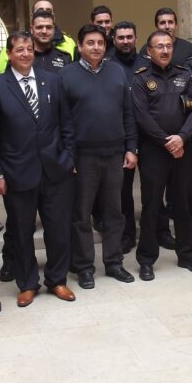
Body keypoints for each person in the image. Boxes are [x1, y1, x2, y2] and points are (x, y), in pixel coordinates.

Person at [0, 31, 78, 307]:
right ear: (9, 53)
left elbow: (66, 124)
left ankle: (57, 280)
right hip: (17, 172)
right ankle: (27, 283)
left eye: (29, 49)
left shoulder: (52, 80)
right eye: (19, 49)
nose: (25, 53)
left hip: (56, 169)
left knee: (58, 229)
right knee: (22, 232)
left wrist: (69, 158)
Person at [61, 24, 137, 288]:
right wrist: (68, 157)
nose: (96, 47)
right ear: (80, 46)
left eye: (100, 43)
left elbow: (128, 112)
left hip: (115, 153)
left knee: (114, 212)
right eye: (90, 43)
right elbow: (63, 121)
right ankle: (84, 267)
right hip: (83, 156)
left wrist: (131, 147)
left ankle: (114, 262)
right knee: (81, 214)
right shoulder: (66, 76)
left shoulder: (116, 71)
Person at [132, 30, 192, 280]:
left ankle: (187, 253)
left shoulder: (185, 75)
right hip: (155, 151)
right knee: (152, 205)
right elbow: (141, 116)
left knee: (183, 203)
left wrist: (182, 138)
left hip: (183, 150)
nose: (164, 50)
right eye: (158, 47)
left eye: (168, 46)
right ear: (148, 51)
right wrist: (166, 141)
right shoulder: (140, 79)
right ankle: (147, 259)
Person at [111, 21, 144, 253]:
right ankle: (127, 235)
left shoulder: (147, 62)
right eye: (121, 37)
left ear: (135, 38)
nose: (125, 41)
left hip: (150, 135)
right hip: (123, 136)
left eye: (129, 37)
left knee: (153, 189)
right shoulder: (108, 66)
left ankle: (159, 231)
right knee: (123, 192)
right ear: (114, 39)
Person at [0, 0, 77, 73]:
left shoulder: (65, 56)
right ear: (32, 28)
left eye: (48, 27)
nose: (44, 31)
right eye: (39, 27)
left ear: (53, 27)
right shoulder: (20, 55)